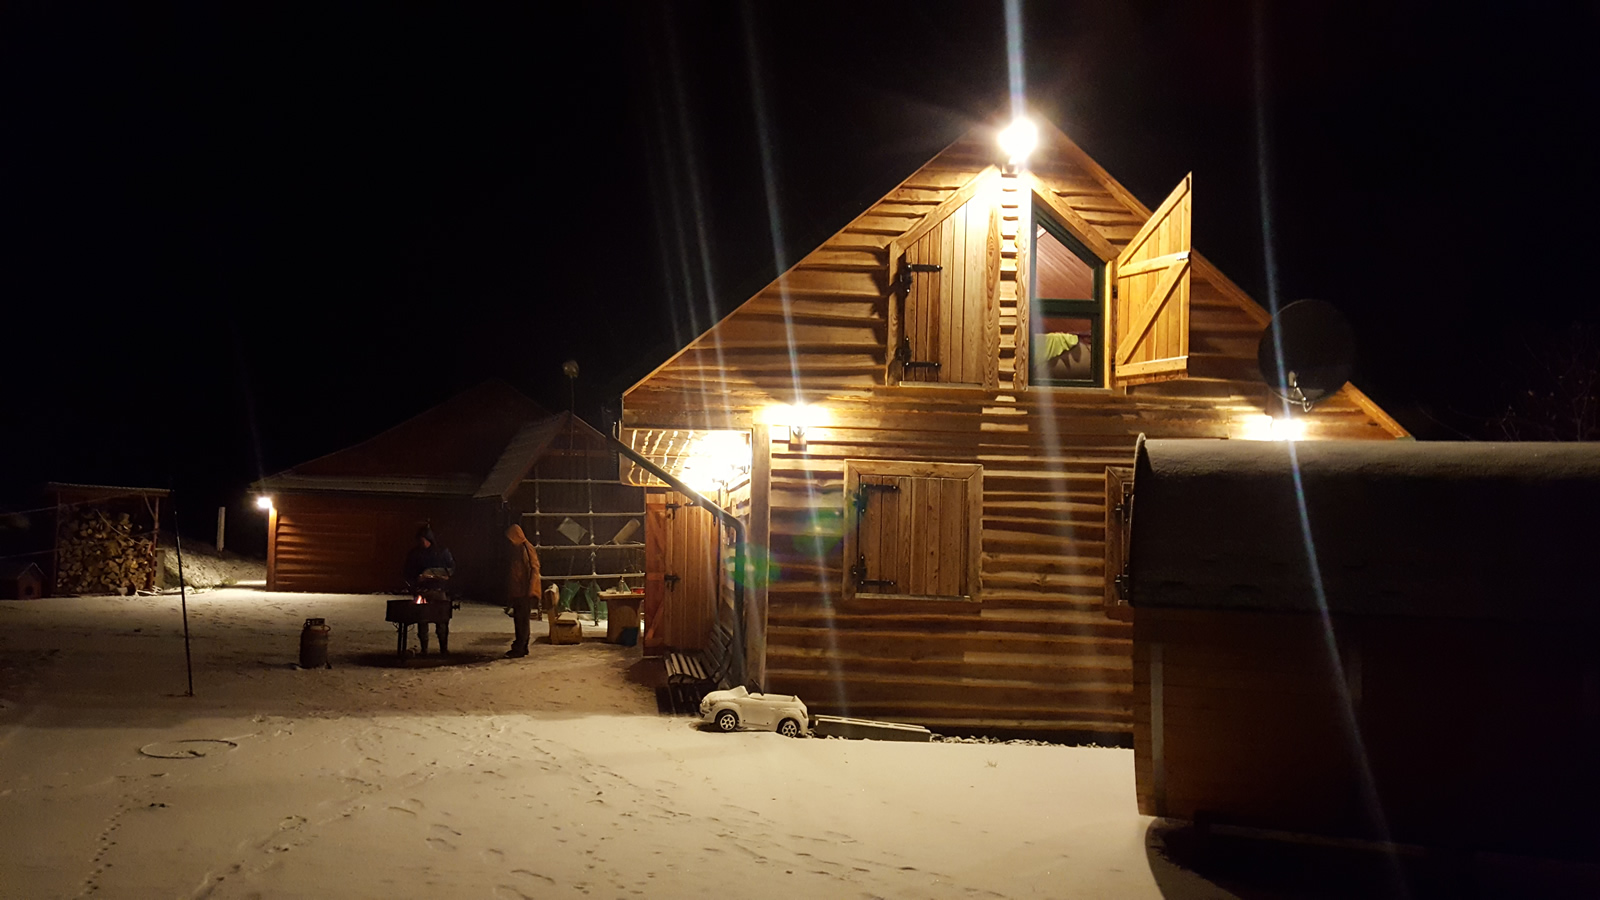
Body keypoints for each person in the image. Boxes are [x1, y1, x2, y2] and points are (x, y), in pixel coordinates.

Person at [403, 525, 455, 655]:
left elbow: (451, 569)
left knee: (442, 620)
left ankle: (443, 648)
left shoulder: (442, 552)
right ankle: (424, 649)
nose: (422, 543)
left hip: (438, 590)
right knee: (422, 621)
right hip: (422, 591)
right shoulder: (415, 554)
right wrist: (415, 583)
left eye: (424, 540)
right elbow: (408, 572)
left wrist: (436, 575)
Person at [504, 524, 541, 658]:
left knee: (522, 620)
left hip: (524, 592)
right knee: (520, 620)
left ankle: (520, 646)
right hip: (520, 591)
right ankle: (521, 645)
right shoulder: (519, 549)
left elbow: (533, 569)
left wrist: (531, 590)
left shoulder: (526, 548)